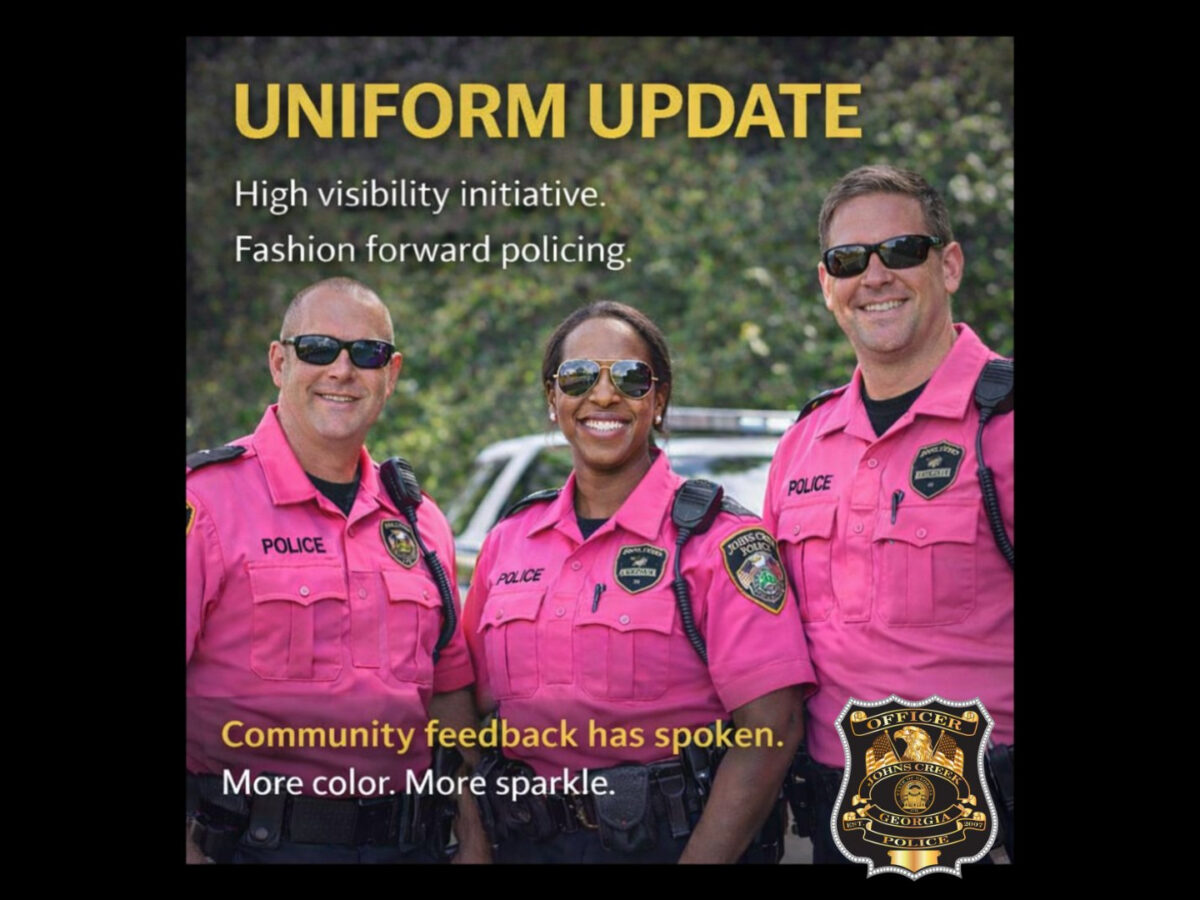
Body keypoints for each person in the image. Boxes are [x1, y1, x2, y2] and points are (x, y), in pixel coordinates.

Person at [461, 301, 817, 863]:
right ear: (553, 400)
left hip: (671, 845)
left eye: (629, 377)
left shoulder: (719, 541)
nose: (603, 396)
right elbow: (461, 707)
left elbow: (772, 730)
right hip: (525, 843)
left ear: (658, 399)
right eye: (578, 377)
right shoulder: (508, 541)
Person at [186, 277, 485, 864]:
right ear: (279, 362)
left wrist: (474, 838)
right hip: (248, 846)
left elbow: (448, 698)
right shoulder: (207, 504)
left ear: (391, 374)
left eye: (366, 354)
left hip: (410, 845)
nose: (342, 371)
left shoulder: (421, 524)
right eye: (318, 348)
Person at [762, 166, 1014, 863]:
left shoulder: (1006, 422)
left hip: (986, 824)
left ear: (950, 264)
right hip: (837, 821)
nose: (874, 277)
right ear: (826, 285)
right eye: (849, 261)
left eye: (900, 251)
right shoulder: (802, 443)